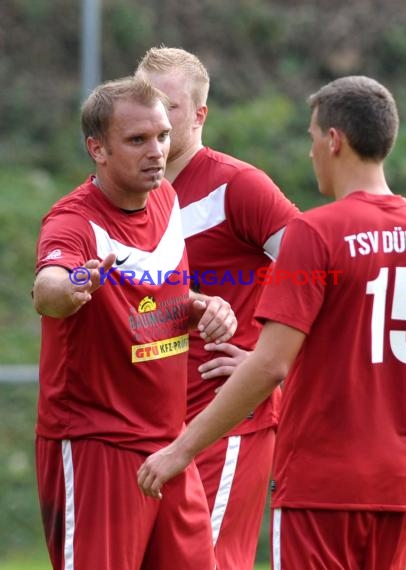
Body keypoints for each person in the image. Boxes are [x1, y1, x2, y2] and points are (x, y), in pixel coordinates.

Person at [138, 75, 406, 569]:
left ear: (333, 140)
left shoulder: (315, 230)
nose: (310, 153)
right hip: (397, 480)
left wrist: (182, 449)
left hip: (323, 475)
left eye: (311, 138)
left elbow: (270, 367)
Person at [32, 76, 237, 570]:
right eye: (137, 140)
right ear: (96, 149)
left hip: (169, 444)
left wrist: (201, 306)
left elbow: (160, 295)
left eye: (163, 136)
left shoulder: (165, 198)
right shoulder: (73, 222)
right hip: (97, 445)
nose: (157, 151)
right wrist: (73, 286)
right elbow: (49, 291)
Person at [135, 47, 299, 570]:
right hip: (149, 422)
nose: (155, 116)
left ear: (200, 114)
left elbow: (325, 276)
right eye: (145, 102)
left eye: (170, 105)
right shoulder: (131, 194)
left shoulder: (239, 185)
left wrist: (266, 358)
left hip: (224, 418)